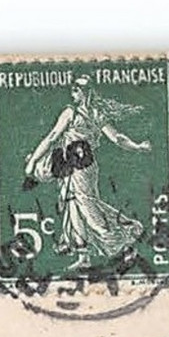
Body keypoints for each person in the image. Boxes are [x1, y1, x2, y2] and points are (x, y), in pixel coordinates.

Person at [23, 77, 152, 271]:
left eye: (75, 90)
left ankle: (122, 244)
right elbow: (117, 138)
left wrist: (33, 160)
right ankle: (83, 256)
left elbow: (52, 138)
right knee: (74, 206)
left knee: (88, 208)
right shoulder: (93, 113)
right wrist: (137, 146)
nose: (72, 94)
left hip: (82, 168)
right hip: (73, 167)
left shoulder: (74, 113)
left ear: (84, 92)